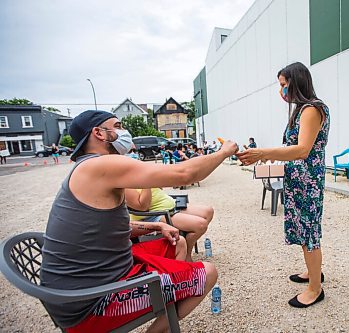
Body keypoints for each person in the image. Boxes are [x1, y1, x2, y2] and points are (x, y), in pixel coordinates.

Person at [40, 110, 238, 332]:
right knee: (208, 273)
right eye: (118, 125)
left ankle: (171, 292)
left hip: (86, 285)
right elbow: (184, 174)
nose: (124, 131)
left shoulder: (86, 167)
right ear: (99, 133)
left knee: (178, 242)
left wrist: (155, 225)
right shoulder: (101, 165)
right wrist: (224, 152)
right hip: (91, 305)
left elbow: (107, 228)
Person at [237, 62, 330, 308]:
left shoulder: (311, 109)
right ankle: (312, 273)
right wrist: (265, 157)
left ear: (296, 82)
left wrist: (263, 152)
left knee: (309, 232)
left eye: (283, 84)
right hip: (299, 180)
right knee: (303, 229)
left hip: (307, 183)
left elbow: (302, 150)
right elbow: (293, 150)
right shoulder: (302, 110)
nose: (281, 90)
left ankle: (315, 290)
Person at [126, 187, 214, 262]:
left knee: (208, 211)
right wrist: (146, 182)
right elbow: (143, 207)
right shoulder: (126, 183)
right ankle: (187, 254)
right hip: (156, 215)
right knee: (201, 225)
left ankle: (185, 240)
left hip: (171, 206)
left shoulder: (140, 172)